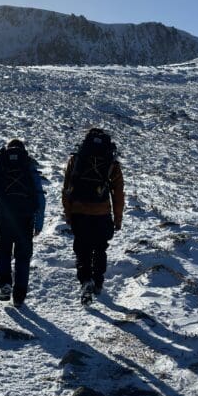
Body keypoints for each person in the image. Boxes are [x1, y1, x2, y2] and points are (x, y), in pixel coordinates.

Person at [62, 128, 125, 304]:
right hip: (101, 213)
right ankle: (98, 281)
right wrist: (117, 219)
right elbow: (118, 194)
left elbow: (67, 189)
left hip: (79, 212)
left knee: (82, 250)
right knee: (100, 248)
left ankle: (85, 281)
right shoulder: (111, 163)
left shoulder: (76, 159)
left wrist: (68, 214)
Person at [0, 139, 46, 307]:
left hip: (3, 217)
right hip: (25, 219)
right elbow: (40, 196)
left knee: (3, 253)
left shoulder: (1, 164)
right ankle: (19, 296)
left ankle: (4, 283)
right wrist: (39, 224)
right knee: (23, 257)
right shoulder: (28, 166)